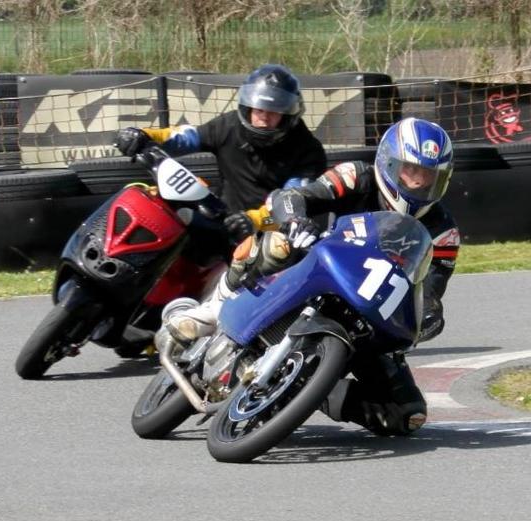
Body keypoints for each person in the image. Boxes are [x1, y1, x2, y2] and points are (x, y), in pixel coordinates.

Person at [165, 117, 460, 436]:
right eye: (411, 170)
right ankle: (212, 311)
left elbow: (430, 291)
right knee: (277, 243)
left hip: (366, 317)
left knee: (406, 415)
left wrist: (429, 316)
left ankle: (309, 389)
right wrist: (295, 220)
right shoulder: (356, 176)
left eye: (430, 176)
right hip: (312, 263)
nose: (419, 182)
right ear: (389, 162)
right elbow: (293, 197)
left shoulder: (443, 232)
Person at [115, 63, 328, 241]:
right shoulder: (229, 126)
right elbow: (185, 138)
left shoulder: (307, 149)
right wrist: (142, 135)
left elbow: (293, 200)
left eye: (274, 112)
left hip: (274, 234)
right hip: (223, 220)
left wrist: (254, 221)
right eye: (259, 109)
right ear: (248, 107)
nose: (264, 118)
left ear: (288, 114)